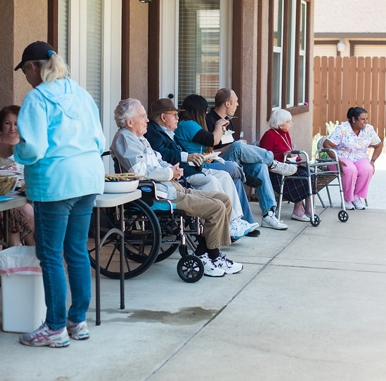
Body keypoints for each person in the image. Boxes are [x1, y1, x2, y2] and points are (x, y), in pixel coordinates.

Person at [0, 41, 106, 348]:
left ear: (32, 67)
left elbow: (34, 149)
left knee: (51, 255)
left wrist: (12, 150)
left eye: (24, 71)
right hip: (88, 179)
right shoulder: (81, 93)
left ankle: (55, 327)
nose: (25, 77)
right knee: (77, 250)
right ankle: (77, 322)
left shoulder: (37, 97)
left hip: (56, 184)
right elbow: (99, 140)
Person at [110, 98, 243, 279]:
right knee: (216, 207)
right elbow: (140, 172)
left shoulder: (139, 138)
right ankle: (210, 255)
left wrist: (173, 170)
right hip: (157, 194)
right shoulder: (125, 140)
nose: (147, 120)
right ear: (129, 122)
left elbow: (158, 160)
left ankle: (210, 254)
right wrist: (168, 173)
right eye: (142, 116)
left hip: (169, 187)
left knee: (224, 199)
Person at [144, 98, 258, 240]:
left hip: (192, 168)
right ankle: (228, 224)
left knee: (224, 176)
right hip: (180, 174)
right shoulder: (153, 132)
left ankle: (235, 220)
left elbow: (181, 151)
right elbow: (164, 154)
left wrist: (199, 158)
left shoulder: (169, 132)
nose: (178, 118)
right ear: (163, 117)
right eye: (174, 115)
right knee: (211, 180)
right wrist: (188, 157)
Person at [206, 88, 297, 230]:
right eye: (236, 102)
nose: (238, 105)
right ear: (227, 104)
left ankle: (268, 214)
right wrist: (233, 146)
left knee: (260, 166)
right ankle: (272, 162)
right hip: (217, 163)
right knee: (237, 146)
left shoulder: (228, 120)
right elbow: (208, 153)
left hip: (234, 162)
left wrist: (237, 146)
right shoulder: (209, 120)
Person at [260, 109, 317, 221]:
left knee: (311, 174)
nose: (291, 123)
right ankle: (297, 211)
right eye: (288, 121)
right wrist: (284, 156)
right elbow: (265, 157)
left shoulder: (285, 134)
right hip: (275, 171)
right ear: (280, 124)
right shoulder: (269, 135)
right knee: (302, 177)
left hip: (289, 167)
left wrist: (299, 161)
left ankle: (309, 209)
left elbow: (290, 153)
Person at [323, 106, 382, 210]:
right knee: (350, 169)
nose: (366, 122)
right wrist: (337, 160)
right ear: (354, 119)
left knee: (368, 169)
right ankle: (347, 199)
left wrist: (372, 161)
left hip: (359, 158)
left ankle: (356, 196)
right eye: (362, 119)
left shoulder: (368, 129)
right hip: (340, 158)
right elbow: (326, 144)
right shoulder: (342, 129)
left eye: (367, 119)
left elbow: (379, 145)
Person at [0, 105, 35, 247]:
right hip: (1, 197)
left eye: (17, 124)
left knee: (28, 211)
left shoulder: (27, 145)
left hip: (23, 195)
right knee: (24, 212)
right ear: (1, 123)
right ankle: (25, 250)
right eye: (8, 123)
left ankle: (25, 249)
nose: (12, 128)